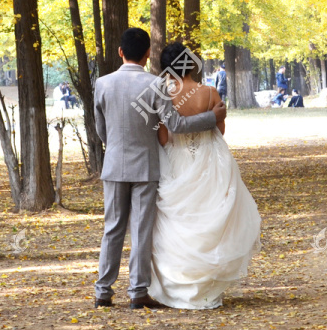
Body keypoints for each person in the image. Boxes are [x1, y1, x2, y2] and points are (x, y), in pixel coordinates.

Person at [94, 28, 227, 309]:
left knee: (112, 229)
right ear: (146, 55)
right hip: (145, 166)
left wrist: (117, 147)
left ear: (120, 52)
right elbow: (175, 125)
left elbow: (101, 130)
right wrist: (211, 118)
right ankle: (137, 292)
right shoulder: (156, 85)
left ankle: (103, 292)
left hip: (114, 164)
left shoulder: (102, 84)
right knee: (142, 230)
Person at [150, 43, 262, 309]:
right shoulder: (210, 92)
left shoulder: (164, 96)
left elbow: (164, 137)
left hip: (177, 160)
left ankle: (181, 286)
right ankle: (208, 286)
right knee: (212, 216)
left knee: (180, 220)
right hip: (210, 160)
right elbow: (220, 131)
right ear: (190, 65)